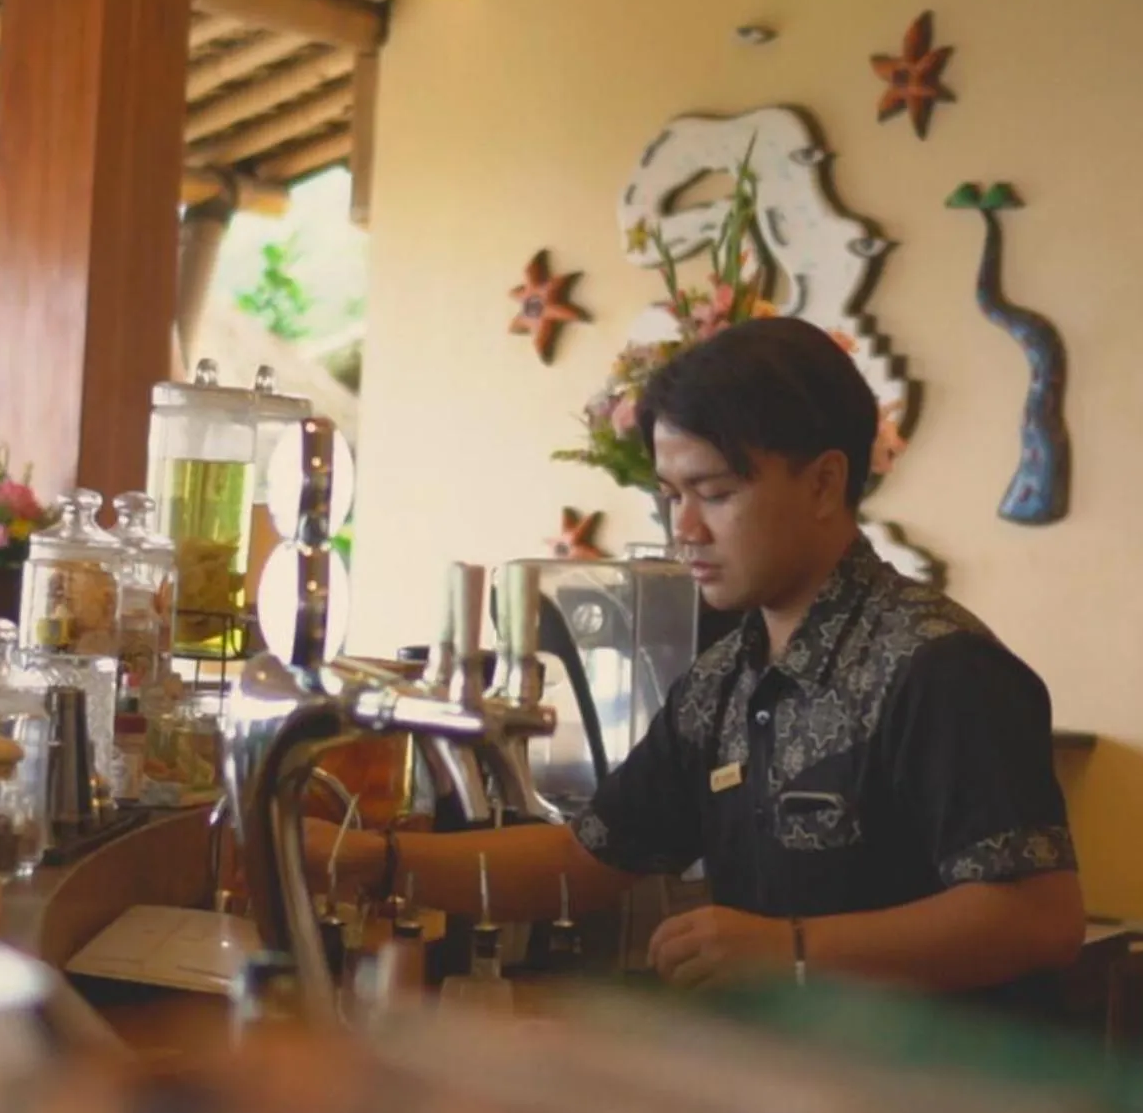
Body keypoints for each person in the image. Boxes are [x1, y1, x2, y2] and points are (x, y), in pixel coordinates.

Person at [310, 317, 1085, 1002]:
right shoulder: (728, 676)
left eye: (712, 492)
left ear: (824, 482)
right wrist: (367, 862)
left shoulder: (938, 665)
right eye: (669, 494)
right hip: (785, 1108)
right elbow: (585, 860)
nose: (685, 527)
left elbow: (1037, 917)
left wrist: (793, 952)